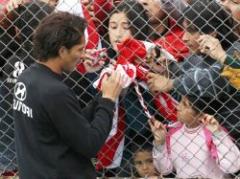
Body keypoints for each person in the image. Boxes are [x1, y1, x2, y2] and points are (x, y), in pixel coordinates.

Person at [13, 11, 124, 179]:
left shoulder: (27, 78)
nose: (83, 55)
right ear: (63, 50)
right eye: (80, 49)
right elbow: (90, 143)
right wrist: (108, 100)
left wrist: (102, 96)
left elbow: (71, 123)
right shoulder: (54, 91)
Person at [147, 0, 240, 147]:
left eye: (191, 30)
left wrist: (171, 83)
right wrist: (165, 68)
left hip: (233, 141)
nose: (184, 38)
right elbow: (185, 83)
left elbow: (213, 80)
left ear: (211, 33)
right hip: (207, 144)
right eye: (184, 30)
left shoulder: (235, 50)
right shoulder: (197, 57)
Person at [0, 1, 54, 177]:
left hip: (7, 150)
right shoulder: (53, 64)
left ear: (18, 31)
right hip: (36, 154)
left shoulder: (9, 61)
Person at [150, 96, 240, 178]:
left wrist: (217, 134)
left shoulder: (213, 131)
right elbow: (164, 170)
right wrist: (160, 143)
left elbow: (233, 167)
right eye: (180, 102)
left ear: (200, 115)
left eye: (185, 105)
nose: (177, 107)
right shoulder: (173, 133)